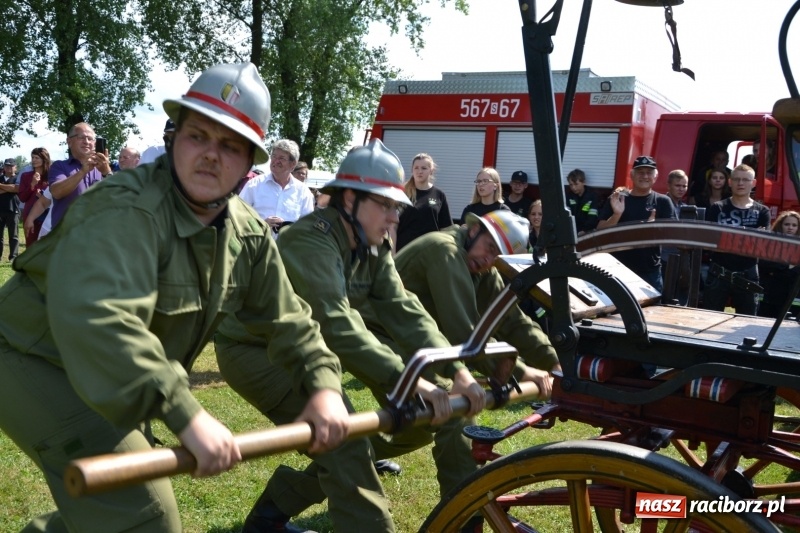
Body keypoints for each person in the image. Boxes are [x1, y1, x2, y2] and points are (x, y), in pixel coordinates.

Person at [0, 62, 352, 532]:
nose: (210, 155)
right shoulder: (124, 206)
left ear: (250, 164)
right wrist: (187, 413)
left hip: (120, 379)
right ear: (174, 138)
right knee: (145, 514)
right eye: (197, 136)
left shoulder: (246, 235)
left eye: (229, 145)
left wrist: (324, 387)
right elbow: (104, 320)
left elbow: (292, 321)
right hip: (35, 355)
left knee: (118, 506)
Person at [217, 139, 486, 533]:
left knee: (410, 424)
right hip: (257, 352)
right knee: (346, 441)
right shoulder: (310, 240)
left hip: (309, 349)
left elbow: (404, 308)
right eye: (385, 205)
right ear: (348, 198)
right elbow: (337, 324)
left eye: (397, 207)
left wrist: (455, 370)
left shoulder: (371, 246)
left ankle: (274, 511)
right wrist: (411, 381)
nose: (394, 218)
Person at [388, 209, 559, 390]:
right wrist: (522, 373)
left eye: (497, 257)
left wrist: (553, 362)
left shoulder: (482, 267)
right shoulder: (445, 251)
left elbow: (510, 320)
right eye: (490, 247)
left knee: (446, 403)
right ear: (474, 230)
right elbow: (464, 333)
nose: (488, 260)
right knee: (443, 401)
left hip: (412, 338)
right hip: (379, 333)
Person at [596, 156, 677, 293]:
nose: (645, 176)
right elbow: (600, 232)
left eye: (649, 172)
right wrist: (616, 215)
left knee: (652, 313)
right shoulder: (617, 198)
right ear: (632, 175)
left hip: (649, 272)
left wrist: (653, 228)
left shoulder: (663, 201)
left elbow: (672, 234)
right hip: (617, 270)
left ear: (655, 177)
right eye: (640, 172)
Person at [703, 164, 771, 314]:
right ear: (730, 182)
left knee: (747, 322)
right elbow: (709, 243)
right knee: (708, 319)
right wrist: (749, 239)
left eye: (746, 180)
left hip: (749, 275)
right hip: (718, 274)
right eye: (737, 179)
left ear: (753, 183)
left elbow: (762, 247)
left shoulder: (763, 212)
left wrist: (726, 240)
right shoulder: (717, 208)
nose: (741, 183)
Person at [239, 139, 315, 236]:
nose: (276, 161)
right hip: (257, 247)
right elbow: (238, 215)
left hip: (287, 249)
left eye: (282, 158)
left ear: (293, 164)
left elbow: (308, 226)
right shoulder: (254, 184)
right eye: (274, 156)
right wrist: (261, 224)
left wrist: (289, 229)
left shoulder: (303, 192)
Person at [48, 123, 111, 228]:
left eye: (90, 138)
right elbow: (56, 192)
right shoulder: (59, 166)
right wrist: (82, 171)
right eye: (81, 137)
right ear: (69, 142)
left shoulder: (102, 168)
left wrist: (107, 172)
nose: (86, 142)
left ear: (95, 143)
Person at [394, 152, 453, 252]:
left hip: (429, 254)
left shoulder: (439, 195)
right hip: (403, 253)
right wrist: (392, 254)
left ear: (431, 171)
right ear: (412, 170)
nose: (419, 171)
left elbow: (446, 229)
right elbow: (392, 227)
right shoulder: (402, 193)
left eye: (424, 168)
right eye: (416, 168)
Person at [758, 210, 800, 318]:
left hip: (794, 300)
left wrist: (781, 267)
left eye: (794, 225)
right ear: (780, 225)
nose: (790, 227)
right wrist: (788, 266)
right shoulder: (771, 243)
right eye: (787, 224)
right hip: (770, 298)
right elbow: (764, 264)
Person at [17, 148, 51, 247]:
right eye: (32, 157)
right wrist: (32, 185)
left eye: (37, 157)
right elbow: (22, 198)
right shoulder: (26, 176)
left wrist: (44, 197)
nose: (34, 160)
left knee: (46, 247)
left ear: (45, 159)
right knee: (31, 246)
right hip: (30, 215)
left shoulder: (52, 176)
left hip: (48, 215)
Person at [565, 168, 599, 234]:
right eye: (571, 185)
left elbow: (593, 218)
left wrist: (584, 230)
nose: (573, 188)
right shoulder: (569, 196)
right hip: (571, 231)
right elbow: (566, 216)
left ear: (583, 182)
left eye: (576, 184)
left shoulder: (592, 197)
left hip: (587, 232)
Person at [0, 158, 20, 260]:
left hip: (13, 209)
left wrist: (1, 186)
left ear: (15, 167)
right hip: (0, 209)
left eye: (11, 166)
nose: (8, 168)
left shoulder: (18, 178)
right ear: (4, 167)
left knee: (14, 235)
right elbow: (12, 189)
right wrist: (10, 188)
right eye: (7, 166)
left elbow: (17, 188)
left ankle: (13, 256)